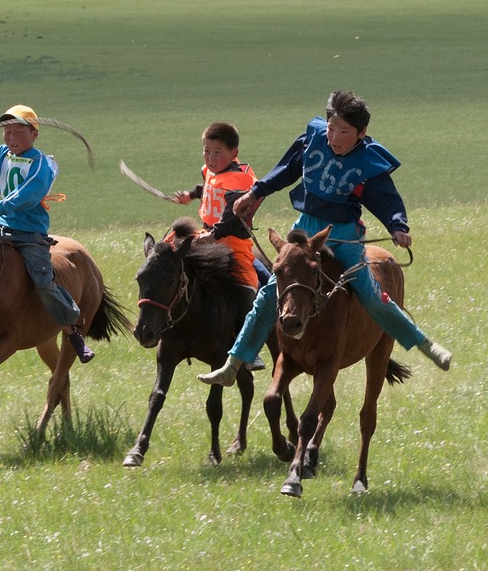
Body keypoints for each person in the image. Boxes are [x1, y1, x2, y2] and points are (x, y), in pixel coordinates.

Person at [197, 90, 453, 386]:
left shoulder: (367, 162)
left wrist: (398, 226)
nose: (335, 137)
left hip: (344, 232)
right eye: (332, 128)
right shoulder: (313, 138)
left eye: (344, 131)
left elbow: (387, 199)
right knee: (269, 293)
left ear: (361, 133)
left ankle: (424, 344)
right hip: (306, 227)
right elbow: (284, 171)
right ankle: (234, 363)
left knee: (371, 296)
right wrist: (254, 194)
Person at [0, 104, 95, 362]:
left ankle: (72, 327)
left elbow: (28, 194)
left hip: (28, 234)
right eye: (7, 132)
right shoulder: (1, 154)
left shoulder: (42, 163)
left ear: (34, 134)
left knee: (44, 281)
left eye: (18, 132)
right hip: (0, 229)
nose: (11, 138)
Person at [172, 122, 272, 371]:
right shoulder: (210, 170)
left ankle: (248, 347)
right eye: (207, 151)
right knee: (166, 255)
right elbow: (209, 186)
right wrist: (191, 194)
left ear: (233, 154)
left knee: (245, 283)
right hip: (205, 232)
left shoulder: (240, 181)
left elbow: (231, 215)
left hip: (231, 240)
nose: (211, 157)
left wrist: (214, 235)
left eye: (218, 152)